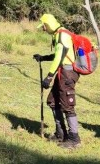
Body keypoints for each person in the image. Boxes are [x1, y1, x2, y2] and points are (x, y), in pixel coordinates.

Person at [34, 13, 82, 149]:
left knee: (67, 105)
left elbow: (59, 58)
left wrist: (49, 76)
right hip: (62, 72)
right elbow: (58, 55)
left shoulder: (62, 35)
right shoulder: (58, 35)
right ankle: (61, 134)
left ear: (48, 24)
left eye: (43, 26)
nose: (43, 29)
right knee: (53, 101)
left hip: (68, 73)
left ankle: (74, 139)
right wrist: (43, 57)